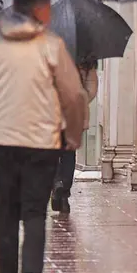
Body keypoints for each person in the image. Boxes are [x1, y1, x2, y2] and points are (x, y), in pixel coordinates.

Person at [0, 0, 87, 273]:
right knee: (35, 213)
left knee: (5, 214)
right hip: (41, 141)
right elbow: (74, 95)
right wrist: (73, 136)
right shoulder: (51, 45)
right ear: (38, 8)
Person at [51, 57, 100, 215]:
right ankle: (64, 195)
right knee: (69, 153)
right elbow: (91, 89)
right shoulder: (86, 59)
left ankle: (57, 182)